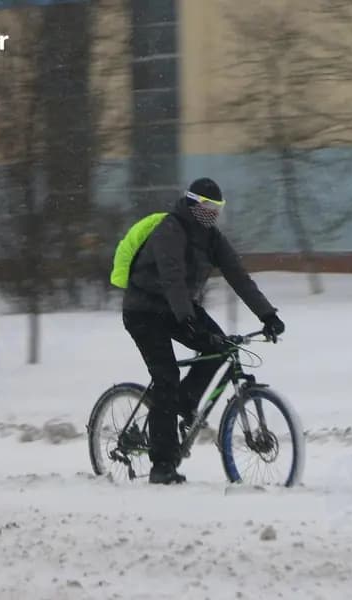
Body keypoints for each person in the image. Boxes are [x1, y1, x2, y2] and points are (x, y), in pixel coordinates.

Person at [121, 178, 285, 485]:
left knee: (220, 346)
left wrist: (268, 314)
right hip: (144, 309)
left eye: (218, 209)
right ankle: (162, 464)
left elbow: (238, 275)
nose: (214, 214)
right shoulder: (170, 229)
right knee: (166, 377)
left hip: (177, 308)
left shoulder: (211, 238)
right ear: (194, 204)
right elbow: (172, 278)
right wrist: (187, 318)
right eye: (209, 208)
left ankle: (183, 403)